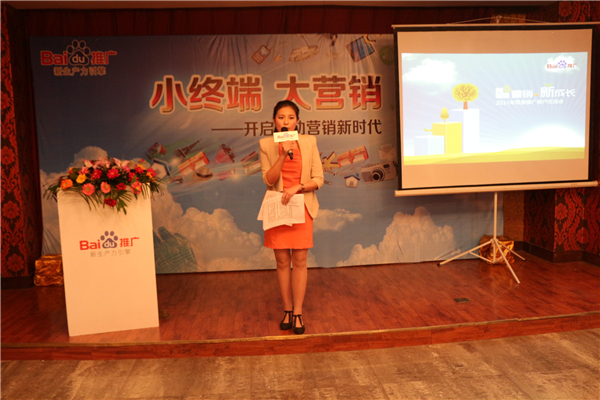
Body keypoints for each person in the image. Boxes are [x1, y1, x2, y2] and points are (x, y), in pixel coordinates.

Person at [259, 100, 324, 335]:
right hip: (278, 207)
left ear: (297, 121)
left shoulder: (309, 141)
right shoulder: (266, 144)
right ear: (274, 121)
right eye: (281, 117)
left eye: (290, 117)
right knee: (282, 262)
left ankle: (298, 312)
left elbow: (319, 179)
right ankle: (287, 309)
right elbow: (268, 179)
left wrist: (299, 187)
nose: (285, 121)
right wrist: (283, 155)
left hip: (301, 206)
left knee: (300, 260)